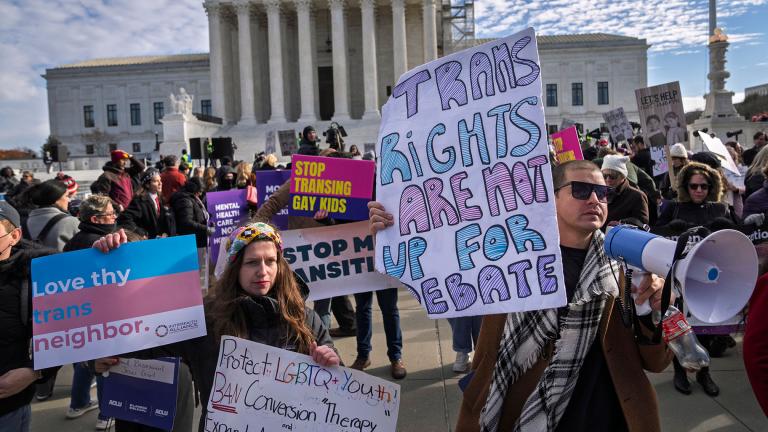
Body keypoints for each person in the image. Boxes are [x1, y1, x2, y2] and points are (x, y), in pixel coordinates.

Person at [371, 160, 673, 431]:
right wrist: (392, 231)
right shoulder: (505, 253)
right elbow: (432, 259)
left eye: (602, 192)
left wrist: (649, 310)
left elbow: (657, 363)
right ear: (550, 198)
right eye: (581, 190)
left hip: (605, 416)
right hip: (518, 409)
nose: (594, 199)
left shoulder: (627, 267)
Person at [94, 222, 340, 431]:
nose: (263, 271)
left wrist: (330, 359)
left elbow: (333, 367)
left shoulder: (303, 317)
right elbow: (143, 339)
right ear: (235, 267)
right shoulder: (206, 319)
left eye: (270, 261)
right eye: (252, 262)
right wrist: (116, 260)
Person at [0, 202, 59, 432]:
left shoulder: (30, 279)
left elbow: (65, 334)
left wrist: (35, 371)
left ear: (14, 235)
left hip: (7, 409)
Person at [62, 195, 117, 430]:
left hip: (78, 313)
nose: (115, 217)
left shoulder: (73, 241)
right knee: (106, 364)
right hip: (103, 314)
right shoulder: (105, 244)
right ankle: (107, 414)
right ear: (96, 218)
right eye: (111, 213)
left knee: (84, 360)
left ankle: (78, 403)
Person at [656, 161, 731, 227]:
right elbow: (658, 235)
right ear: (686, 187)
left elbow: (737, 235)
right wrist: (668, 227)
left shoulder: (720, 209)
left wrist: (728, 226)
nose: (699, 190)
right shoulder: (673, 208)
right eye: (693, 186)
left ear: (710, 188)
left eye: (704, 186)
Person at [118, 168, 175, 239]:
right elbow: (124, 219)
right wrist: (142, 234)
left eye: (160, 180)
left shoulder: (161, 199)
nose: (160, 183)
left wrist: (165, 232)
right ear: (147, 185)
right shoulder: (140, 201)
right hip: (146, 242)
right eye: (156, 181)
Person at [24, 179, 80, 251]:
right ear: (56, 199)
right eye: (66, 196)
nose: (69, 200)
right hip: (63, 262)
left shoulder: (23, 223)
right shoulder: (71, 222)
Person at [601, 154, 649, 227]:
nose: (608, 179)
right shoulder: (598, 193)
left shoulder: (637, 196)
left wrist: (622, 223)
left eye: (613, 176)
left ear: (622, 176)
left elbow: (642, 223)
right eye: (605, 175)